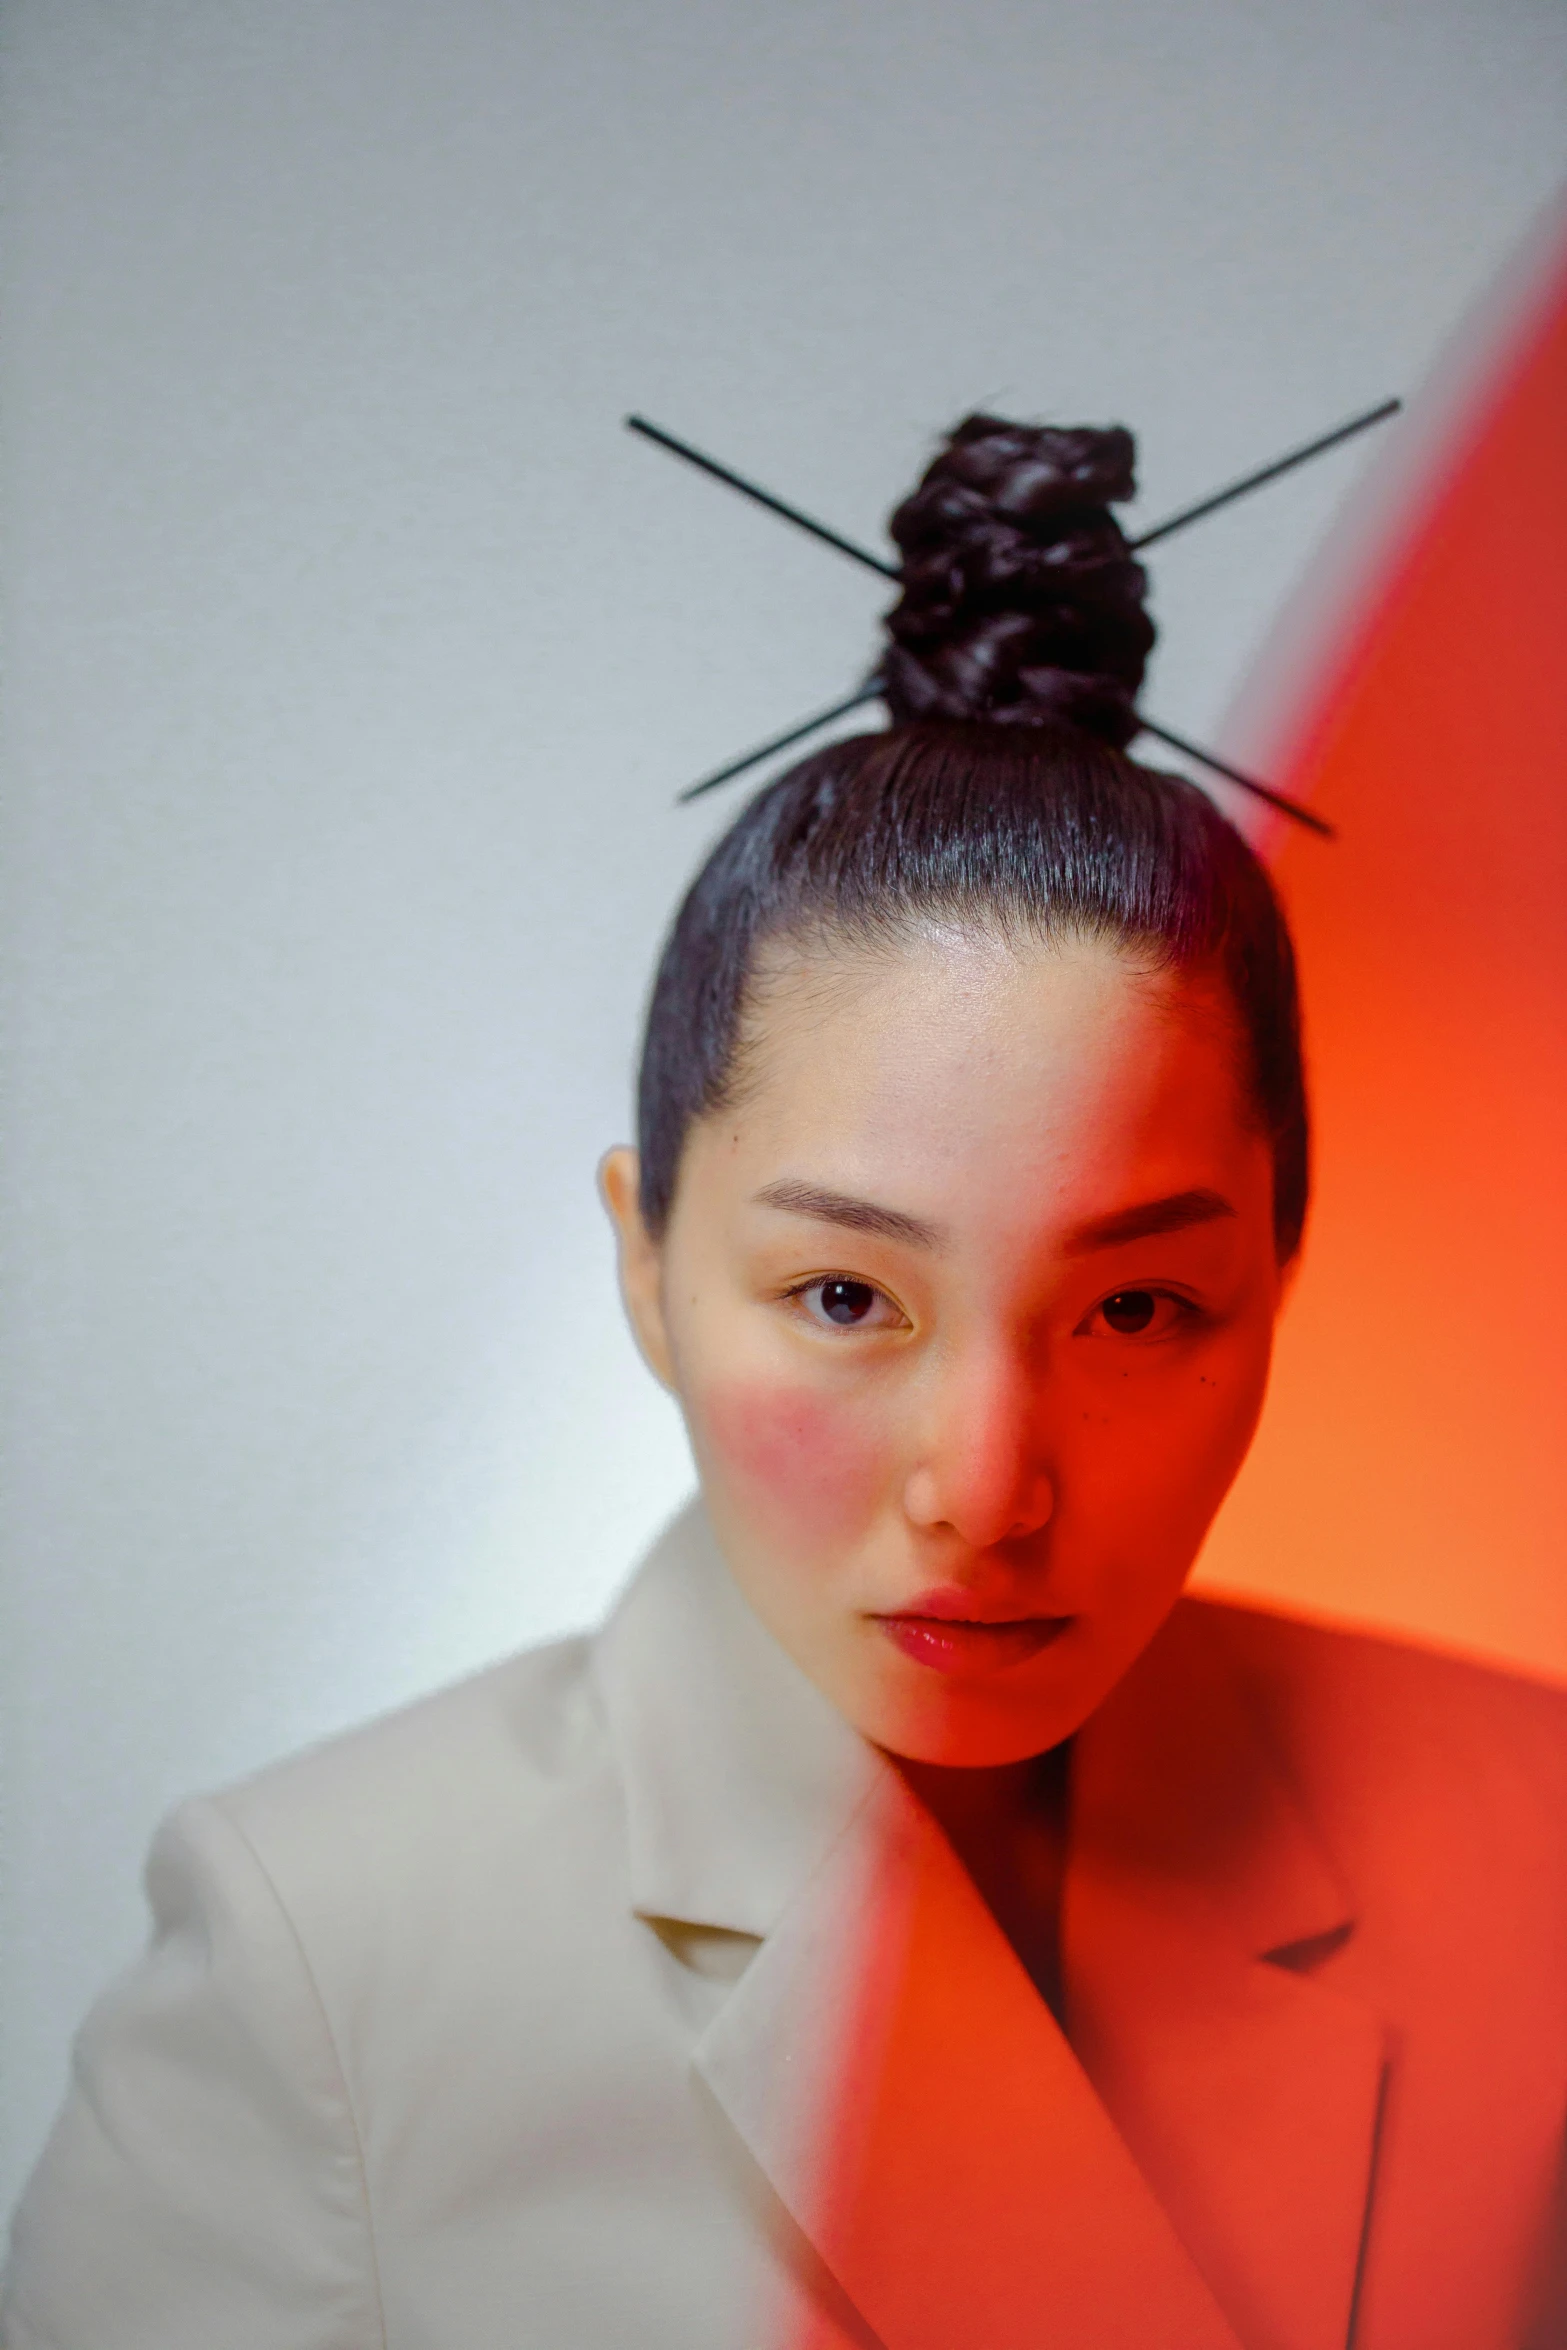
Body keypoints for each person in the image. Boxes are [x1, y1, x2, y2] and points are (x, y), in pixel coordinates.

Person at [3, 417, 1563, 2350]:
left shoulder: (1537, 1845)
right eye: (844, 1294)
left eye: (1137, 1310)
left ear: (1280, 1278)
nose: (987, 1488)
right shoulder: (322, 1969)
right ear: (645, 1264)